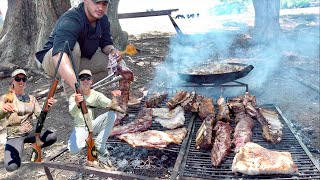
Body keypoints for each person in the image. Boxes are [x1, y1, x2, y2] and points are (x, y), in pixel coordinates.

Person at [35, 0, 123, 98]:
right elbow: (59, 55)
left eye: (104, 4)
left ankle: (83, 87)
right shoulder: (71, 19)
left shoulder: (103, 20)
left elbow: (106, 44)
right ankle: (74, 98)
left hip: (80, 59)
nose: (101, 8)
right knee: (72, 47)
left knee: (113, 64)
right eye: (97, 2)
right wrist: (77, 89)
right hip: (54, 60)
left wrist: (112, 51)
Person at [0, 69, 57, 171]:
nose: (21, 82)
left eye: (24, 79)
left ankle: (36, 145)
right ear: (12, 81)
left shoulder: (31, 98)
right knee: (11, 166)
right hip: (15, 135)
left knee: (52, 136)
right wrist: (3, 109)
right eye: (18, 79)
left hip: (30, 132)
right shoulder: (5, 98)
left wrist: (47, 107)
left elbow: (40, 116)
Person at [67, 69, 120, 165]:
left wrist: (115, 97)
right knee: (73, 150)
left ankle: (99, 144)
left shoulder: (96, 94)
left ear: (91, 81)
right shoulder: (74, 97)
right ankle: (87, 141)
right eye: (82, 79)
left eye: (88, 78)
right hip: (80, 128)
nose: (85, 81)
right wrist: (77, 104)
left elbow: (111, 105)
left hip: (92, 124)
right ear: (79, 82)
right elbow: (72, 113)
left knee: (111, 115)